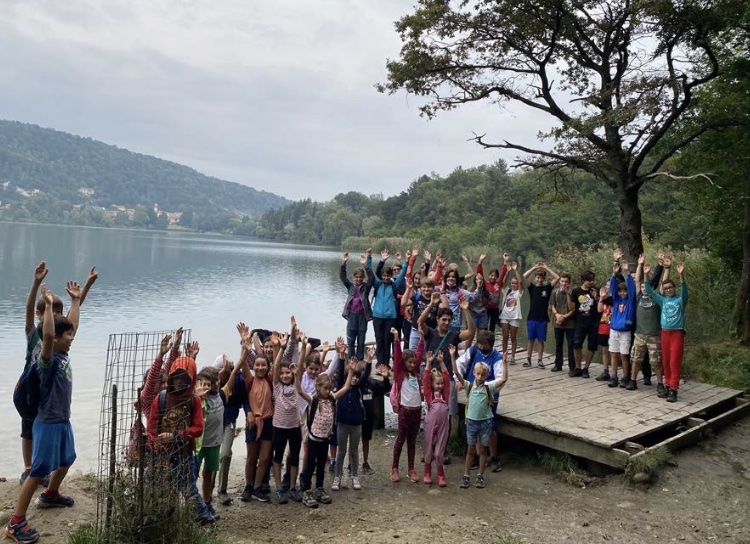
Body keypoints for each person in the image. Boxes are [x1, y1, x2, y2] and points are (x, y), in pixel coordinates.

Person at [7, 284, 83, 544]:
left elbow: (69, 327)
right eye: (68, 336)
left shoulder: (64, 353)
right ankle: (16, 522)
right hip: (47, 422)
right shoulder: (47, 360)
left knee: (68, 459)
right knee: (37, 471)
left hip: (62, 420)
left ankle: (51, 494)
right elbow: (49, 335)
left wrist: (76, 301)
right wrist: (49, 306)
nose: (72, 338)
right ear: (56, 338)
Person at [18, 263, 97, 487]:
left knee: (43, 431)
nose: (55, 315)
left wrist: (87, 286)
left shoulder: (61, 342)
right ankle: (29, 469)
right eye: (50, 312)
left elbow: (73, 318)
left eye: (57, 313)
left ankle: (43, 473)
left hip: (51, 394)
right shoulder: (36, 336)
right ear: (40, 315)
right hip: (32, 389)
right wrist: (35, 284)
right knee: (28, 428)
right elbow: (30, 313)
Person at [146, 351, 215, 528]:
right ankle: (162, 519)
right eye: (176, 377)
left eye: (184, 378)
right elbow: (152, 426)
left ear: (191, 379)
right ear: (171, 377)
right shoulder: (161, 398)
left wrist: (175, 436)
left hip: (184, 454)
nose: (180, 382)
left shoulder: (194, 401)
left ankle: (205, 520)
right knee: (154, 485)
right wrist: (156, 444)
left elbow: (198, 429)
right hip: (160, 454)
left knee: (188, 489)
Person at [296, 359, 356, 508]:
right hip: (313, 439)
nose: (328, 391)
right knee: (310, 466)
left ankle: (320, 489)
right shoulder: (313, 399)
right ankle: (307, 491)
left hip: (325, 439)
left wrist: (352, 371)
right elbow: (299, 391)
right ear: (318, 388)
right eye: (325, 388)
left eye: (329, 388)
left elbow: (347, 386)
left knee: (321, 465)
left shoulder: (331, 399)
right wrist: (296, 375)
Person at [451, 345, 508, 490]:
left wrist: (505, 363)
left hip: (485, 423)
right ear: (474, 373)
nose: (480, 377)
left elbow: (504, 379)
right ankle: (466, 475)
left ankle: (480, 476)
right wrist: (452, 356)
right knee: (471, 450)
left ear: (487, 376)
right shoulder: (469, 386)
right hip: (471, 423)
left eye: (483, 375)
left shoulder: (489, 387)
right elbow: (457, 373)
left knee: (483, 450)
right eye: (478, 374)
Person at [238, 324, 275, 503]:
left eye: (263, 365)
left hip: (268, 422)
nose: (260, 368)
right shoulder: (249, 380)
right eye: (257, 365)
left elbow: (278, 359)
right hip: (253, 422)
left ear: (268, 368)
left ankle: (258, 487)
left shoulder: (270, 379)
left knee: (265, 457)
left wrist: (279, 347)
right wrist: (245, 344)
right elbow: (243, 363)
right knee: (252, 457)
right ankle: (248, 486)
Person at [644, 262, 687, 402]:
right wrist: (646, 274)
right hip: (664, 333)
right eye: (666, 288)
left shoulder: (680, 300)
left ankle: (674, 389)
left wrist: (681, 276)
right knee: (666, 362)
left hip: (677, 334)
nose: (668, 290)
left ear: (674, 288)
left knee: (675, 361)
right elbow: (649, 290)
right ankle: (668, 385)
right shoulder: (662, 300)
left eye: (670, 288)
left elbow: (685, 291)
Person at [332, 348, 372, 492]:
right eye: (353, 376)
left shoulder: (360, 388)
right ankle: (338, 477)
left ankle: (355, 476)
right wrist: (342, 357)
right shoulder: (342, 386)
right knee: (341, 452)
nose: (354, 378)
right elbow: (341, 373)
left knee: (354, 451)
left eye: (357, 376)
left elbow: (366, 373)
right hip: (342, 423)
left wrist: (368, 360)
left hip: (356, 424)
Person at [270, 333, 302, 505]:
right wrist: (282, 348)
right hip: (280, 426)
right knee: (278, 457)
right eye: (282, 373)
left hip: (294, 427)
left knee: (295, 456)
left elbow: (300, 366)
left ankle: (292, 487)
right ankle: (279, 488)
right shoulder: (277, 387)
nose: (284, 375)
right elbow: (275, 367)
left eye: (287, 372)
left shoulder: (297, 385)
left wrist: (298, 344)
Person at [389, 328, 423, 483]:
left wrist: (422, 339)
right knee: (401, 439)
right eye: (409, 362)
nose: (412, 364)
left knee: (412, 441)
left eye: (414, 362)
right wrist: (396, 338)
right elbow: (396, 358)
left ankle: (411, 469)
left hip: (417, 411)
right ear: (404, 363)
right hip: (404, 411)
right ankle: (394, 468)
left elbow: (420, 354)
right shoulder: (400, 373)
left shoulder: (416, 373)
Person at [631, 254, 665, 396]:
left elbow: (663, 284)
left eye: (648, 287)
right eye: (644, 287)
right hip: (639, 334)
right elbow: (638, 281)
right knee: (636, 359)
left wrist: (665, 267)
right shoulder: (639, 296)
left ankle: (660, 383)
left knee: (656, 361)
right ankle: (632, 380)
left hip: (654, 335)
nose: (645, 288)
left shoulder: (657, 298)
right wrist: (639, 265)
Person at [195, 365, 225, 519]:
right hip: (198, 445)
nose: (214, 385)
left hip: (215, 442)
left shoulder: (221, 394)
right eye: (207, 383)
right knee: (193, 475)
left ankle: (207, 501)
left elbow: (230, 374)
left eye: (215, 382)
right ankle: (194, 505)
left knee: (209, 473)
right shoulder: (196, 399)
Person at [369, 249, 407, 367]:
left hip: (390, 317)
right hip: (377, 316)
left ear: (391, 276)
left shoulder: (394, 285)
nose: (385, 277)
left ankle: (386, 363)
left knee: (387, 340)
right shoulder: (378, 284)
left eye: (388, 276)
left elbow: (403, 273)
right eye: (384, 275)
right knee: (379, 340)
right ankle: (380, 362)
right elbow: (370, 272)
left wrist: (406, 261)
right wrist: (373, 259)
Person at [607, 251, 637, 389]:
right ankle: (613, 376)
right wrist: (615, 271)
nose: (622, 293)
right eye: (621, 291)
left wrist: (627, 274)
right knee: (614, 354)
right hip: (614, 330)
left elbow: (631, 289)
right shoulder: (616, 300)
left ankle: (626, 377)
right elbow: (612, 288)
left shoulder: (631, 301)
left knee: (624, 355)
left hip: (625, 331)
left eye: (624, 291)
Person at [523, 262, 559, 368]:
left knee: (541, 340)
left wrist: (546, 268)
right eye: (537, 278)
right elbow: (525, 276)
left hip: (542, 318)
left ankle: (539, 360)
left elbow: (557, 277)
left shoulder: (547, 288)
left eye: (541, 278)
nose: (539, 279)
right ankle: (528, 359)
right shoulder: (532, 288)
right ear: (535, 278)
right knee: (530, 340)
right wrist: (534, 267)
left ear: (543, 279)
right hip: (531, 317)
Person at [422, 351, 450, 487]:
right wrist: (428, 363)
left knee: (439, 451)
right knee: (428, 448)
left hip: (444, 424)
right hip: (430, 423)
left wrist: (441, 362)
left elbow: (447, 377)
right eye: (437, 384)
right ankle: (427, 472)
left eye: (441, 384)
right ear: (432, 384)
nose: (440, 386)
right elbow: (425, 380)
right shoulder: (429, 395)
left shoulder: (445, 394)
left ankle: (440, 474)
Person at [340, 252, 373, 361]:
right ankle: (351, 359)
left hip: (362, 317)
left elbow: (371, 279)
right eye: (357, 277)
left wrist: (365, 266)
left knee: (361, 340)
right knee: (350, 340)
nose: (358, 279)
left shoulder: (366, 287)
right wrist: (344, 263)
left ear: (363, 278)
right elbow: (343, 277)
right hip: (352, 316)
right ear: (354, 277)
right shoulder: (350, 286)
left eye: (360, 277)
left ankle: (359, 361)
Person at [569, 270, 599, 378]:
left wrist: (596, 297)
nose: (591, 282)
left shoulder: (596, 290)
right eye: (588, 280)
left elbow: (600, 306)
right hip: (580, 322)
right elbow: (572, 307)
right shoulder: (576, 291)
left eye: (592, 280)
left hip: (593, 323)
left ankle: (586, 368)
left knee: (591, 346)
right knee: (576, 344)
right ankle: (578, 368)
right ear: (583, 280)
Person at [476, 252, 509, 335]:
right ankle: (484, 341)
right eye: (491, 275)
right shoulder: (485, 283)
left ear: (497, 277)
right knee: (484, 326)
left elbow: (503, 273)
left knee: (492, 327)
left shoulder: (498, 284)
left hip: (495, 309)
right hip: (486, 308)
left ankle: (490, 342)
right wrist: (480, 261)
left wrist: (505, 262)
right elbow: (479, 273)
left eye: (495, 276)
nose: (493, 277)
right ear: (489, 275)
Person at [549, 273, 576, 372]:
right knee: (558, 344)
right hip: (558, 321)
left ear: (569, 282)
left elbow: (573, 309)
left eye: (566, 282)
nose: (564, 284)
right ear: (560, 281)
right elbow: (552, 305)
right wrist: (557, 315)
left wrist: (564, 316)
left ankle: (572, 367)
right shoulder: (555, 292)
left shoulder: (573, 292)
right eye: (562, 281)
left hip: (570, 322)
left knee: (571, 345)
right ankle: (558, 364)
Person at [499, 261, 523, 364]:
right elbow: (503, 282)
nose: (514, 285)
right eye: (512, 283)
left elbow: (521, 282)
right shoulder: (507, 291)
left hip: (514, 317)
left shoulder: (519, 293)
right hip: (505, 316)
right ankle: (505, 355)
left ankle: (513, 357)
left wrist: (515, 270)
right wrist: (507, 272)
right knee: (505, 337)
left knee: (513, 338)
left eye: (515, 283)